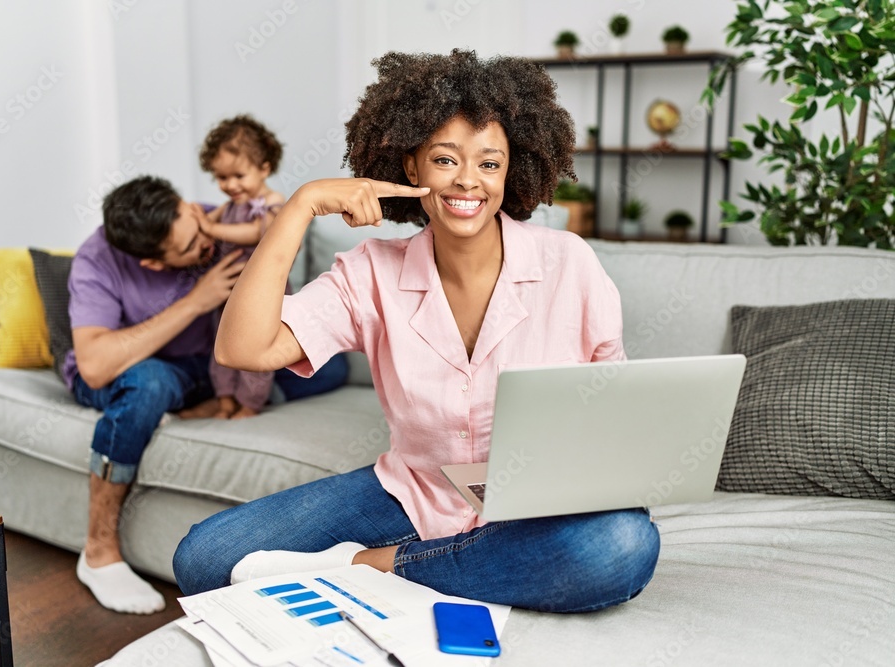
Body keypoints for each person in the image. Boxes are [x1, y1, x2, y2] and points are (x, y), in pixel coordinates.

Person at [173, 50, 660, 613]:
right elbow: (243, 346)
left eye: (489, 164)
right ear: (412, 168)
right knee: (206, 560)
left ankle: (364, 568)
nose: (467, 182)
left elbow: (614, 413)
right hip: (416, 490)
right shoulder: (371, 271)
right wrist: (300, 207)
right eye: (446, 159)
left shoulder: (569, 263)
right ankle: (464, 565)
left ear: (511, 171)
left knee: (621, 545)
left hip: (540, 504)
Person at [66, 175, 345, 614]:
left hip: (209, 366)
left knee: (332, 367)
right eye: (190, 247)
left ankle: (193, 408)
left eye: (195, 223)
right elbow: (96, 365)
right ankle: (98, 553)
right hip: (137, 370)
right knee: (149, 385)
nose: (205, 243)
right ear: (155, 264)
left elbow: (269, 227)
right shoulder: (96, 260)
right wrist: (198, 299)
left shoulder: (210, 220)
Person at [186, 115, 287, 419]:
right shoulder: (229, 206)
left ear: (264, 168)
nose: (229, 185)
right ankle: (225, 398)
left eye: (238, 176)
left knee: (254, 350)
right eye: (221, 177)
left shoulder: (273, 201)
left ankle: (250, 403)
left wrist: (213, 229)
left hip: (262, 299)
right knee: (223, 348)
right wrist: (197, 221)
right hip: (228, 294)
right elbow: (207, 222)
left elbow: (258, 232)